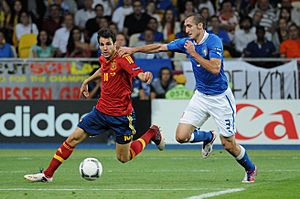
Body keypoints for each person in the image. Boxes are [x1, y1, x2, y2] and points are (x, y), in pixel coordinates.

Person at [118, 13, 257, 183]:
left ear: (200, 26)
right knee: (181, 136)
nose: (186, 29)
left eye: (190, 26)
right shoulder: (185, 43)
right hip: (200, 96)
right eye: (185, 26)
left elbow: (214, 68)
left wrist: (194, 53)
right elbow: (160, 47)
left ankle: (250, 168)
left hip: (220, 98)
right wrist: (133, 50)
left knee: (228, 144)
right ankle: (207, 136)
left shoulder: (213, 41)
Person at [24, 28, 165, 182]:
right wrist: (87, 81)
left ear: (115, 44)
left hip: (122, 116)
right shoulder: (103, 57)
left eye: (108, 44)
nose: (105, 48)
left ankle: (152, 132)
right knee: (72, 139)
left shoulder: (123, 58)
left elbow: (136, 72)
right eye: (102, 44)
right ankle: (48, 174)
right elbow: (103, 69)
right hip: (100, 111)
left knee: (124, 158)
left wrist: (144, 76)